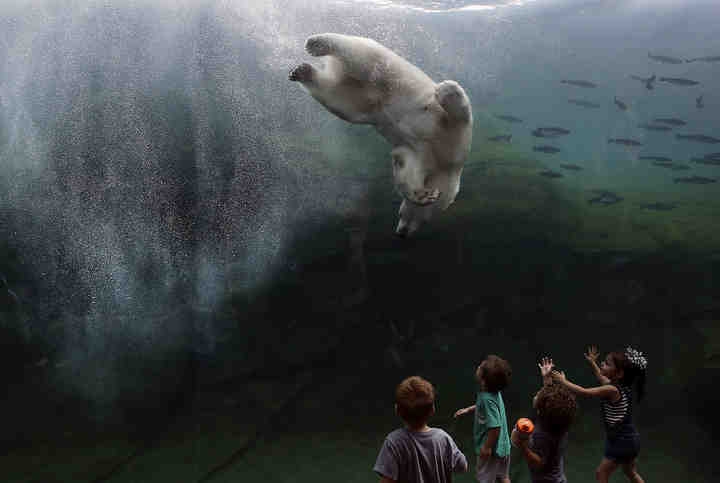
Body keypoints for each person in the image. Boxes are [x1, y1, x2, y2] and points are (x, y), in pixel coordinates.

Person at [552, 345, 647, 483]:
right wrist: (592, 363)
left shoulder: (612, 390)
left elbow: (584, 392)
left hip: (622, 441)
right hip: (629, 439)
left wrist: (564, 382)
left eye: (607, 364)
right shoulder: (617, 387)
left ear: (619, 373)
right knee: (630, 472)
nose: (603, 363)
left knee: (601, 473)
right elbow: (600, 376)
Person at [374, 375, 468, 483]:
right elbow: (462, 467)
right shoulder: (443, 438)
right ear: (432, 410)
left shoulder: (394, 442)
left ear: (397, 410)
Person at [512, 357, 577, 483]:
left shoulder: (543, 436)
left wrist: (523, 446)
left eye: (539, 395)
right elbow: (550, 400)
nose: (536, 395)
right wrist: (546, 378)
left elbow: (539, 463)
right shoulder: (558, 422)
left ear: (540, 411)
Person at [454, 355, 513, 483]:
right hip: (504, 446)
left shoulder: (487, 399)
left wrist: (487, 447)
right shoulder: (494, 392)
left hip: (492, 451)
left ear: (483, 380)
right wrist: (469, 409)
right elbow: (487, 409)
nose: (479, 366)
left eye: (481, 367)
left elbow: (495, 427)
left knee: (484, 479)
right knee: (503, 477)